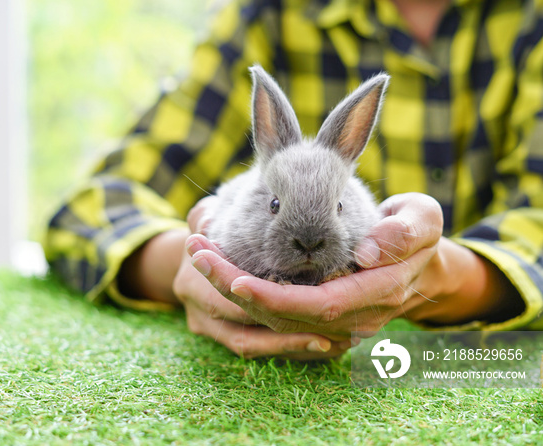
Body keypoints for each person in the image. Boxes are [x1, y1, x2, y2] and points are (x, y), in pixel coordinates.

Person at [42, 0, 543, 360]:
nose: (307, 242)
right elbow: (87, 211)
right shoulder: (270, 13)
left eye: (339, 208)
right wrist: (193, 264)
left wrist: (445, 275)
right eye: (276, 206)